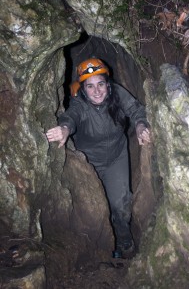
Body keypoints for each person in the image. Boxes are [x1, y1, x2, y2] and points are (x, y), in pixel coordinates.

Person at [46, 58, 150, 259]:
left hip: (116, 158)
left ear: (107, 84)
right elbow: (71, 117)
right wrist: (64, 129)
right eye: (90, 86)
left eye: (100, 84)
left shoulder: (117, 93)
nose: (96, 91)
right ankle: (102, 250)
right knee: (95, 208)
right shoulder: (79, 104)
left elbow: (136, 110)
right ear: (83, 88)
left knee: (121, 205)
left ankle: (125, 243)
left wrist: (140, 125)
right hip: (90, 162)